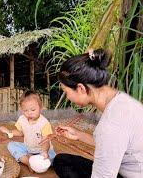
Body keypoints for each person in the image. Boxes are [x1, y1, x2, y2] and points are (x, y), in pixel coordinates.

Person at [53, 49, 143, 178]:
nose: (67, 97)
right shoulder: (120, 101)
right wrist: (78, 135)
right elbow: (115, 144)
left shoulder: (111, 124)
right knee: (62, 161)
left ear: (81, 89)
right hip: (130, 167)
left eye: (66, 92)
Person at [0, 90, 56, 172]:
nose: (29, 113)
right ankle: (28, 162)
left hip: (42, 151)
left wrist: (45, 152)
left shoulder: (44, 123)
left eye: (33, 110)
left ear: (40, 107)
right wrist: (9, 132)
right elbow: (21, 132)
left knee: (53, 159)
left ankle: (34, 158)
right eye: (26, 111)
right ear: (22, 109)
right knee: (11, 145)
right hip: (28, 147)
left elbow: (46, 141)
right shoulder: (22, 119)